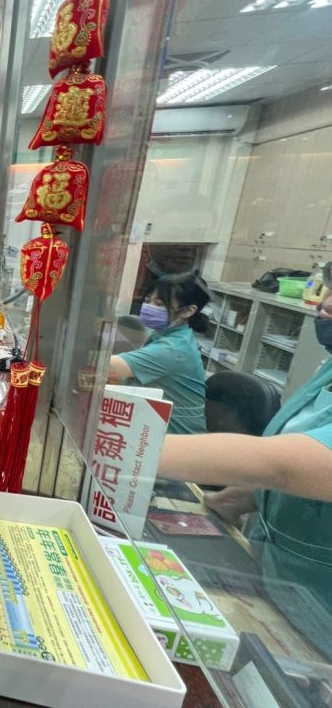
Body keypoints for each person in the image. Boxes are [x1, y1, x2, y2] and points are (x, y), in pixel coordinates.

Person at [158, 289, 332, 653]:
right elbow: (304, 459)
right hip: (275, 578)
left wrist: (134, 445)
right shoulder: (328, 371)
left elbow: (281, 466)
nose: (325, 303)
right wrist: (239, 499)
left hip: (321, 614)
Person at [107, 272, 210, 434]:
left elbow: (107, 368)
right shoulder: (168, 334)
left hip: (175, 439)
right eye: (148, 301)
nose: (149, 307)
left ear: (188, 311)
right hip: (152, 428)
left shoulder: (173, 350)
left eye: (159, 304)